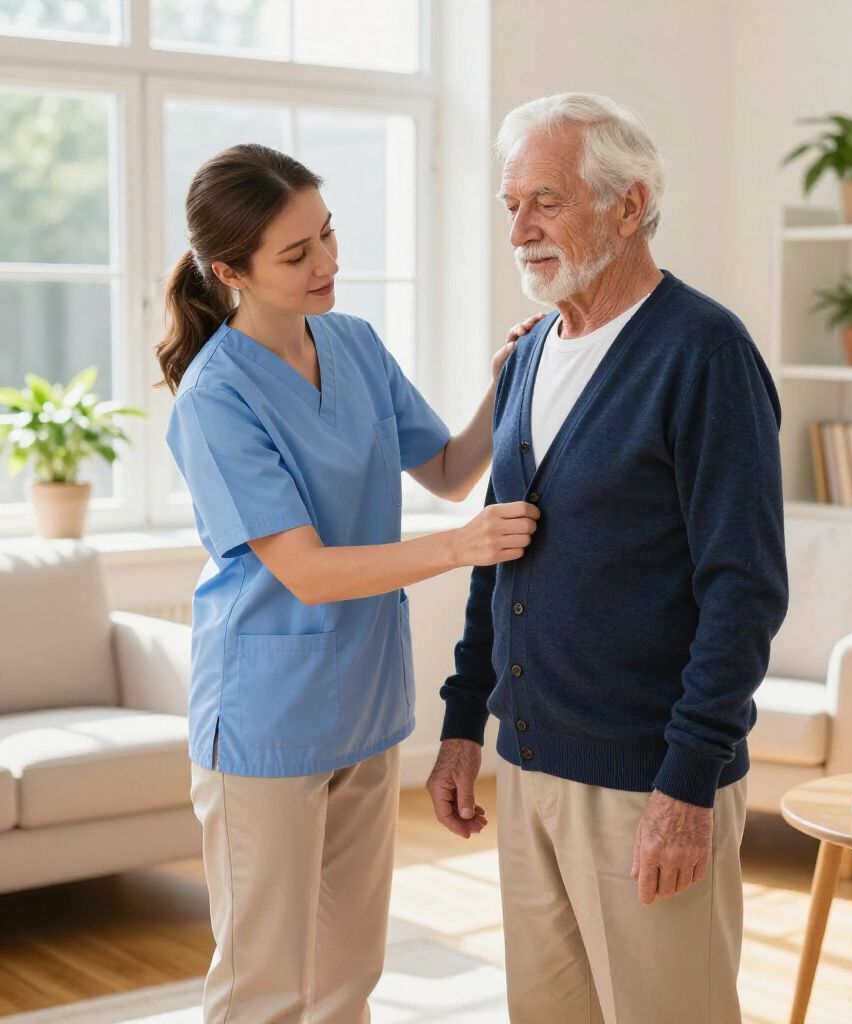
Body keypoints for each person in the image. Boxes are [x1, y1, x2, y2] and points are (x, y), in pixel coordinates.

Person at [426, 93, 789, 1024]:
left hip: (647, 779)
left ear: (627, 207)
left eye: (544, 201)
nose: (522, 230)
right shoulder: (528, 356)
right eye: (511, 206)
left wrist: (686, 783)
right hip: (530, 762)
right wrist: (465, 721)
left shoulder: (706, 352)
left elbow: (744, 589)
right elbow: (495, 554)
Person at [158, 142, 540, 1024]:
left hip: (366, 699)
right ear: (230, 272)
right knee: (263, 984)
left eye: (327, 235)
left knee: (346, 977)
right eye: (296, 255)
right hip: (266, 716)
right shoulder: (216, 397)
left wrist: (503, 385)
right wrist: (462, 549)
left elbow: (446, 468)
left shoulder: (355, 344)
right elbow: (304, 571)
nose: (327, 264)